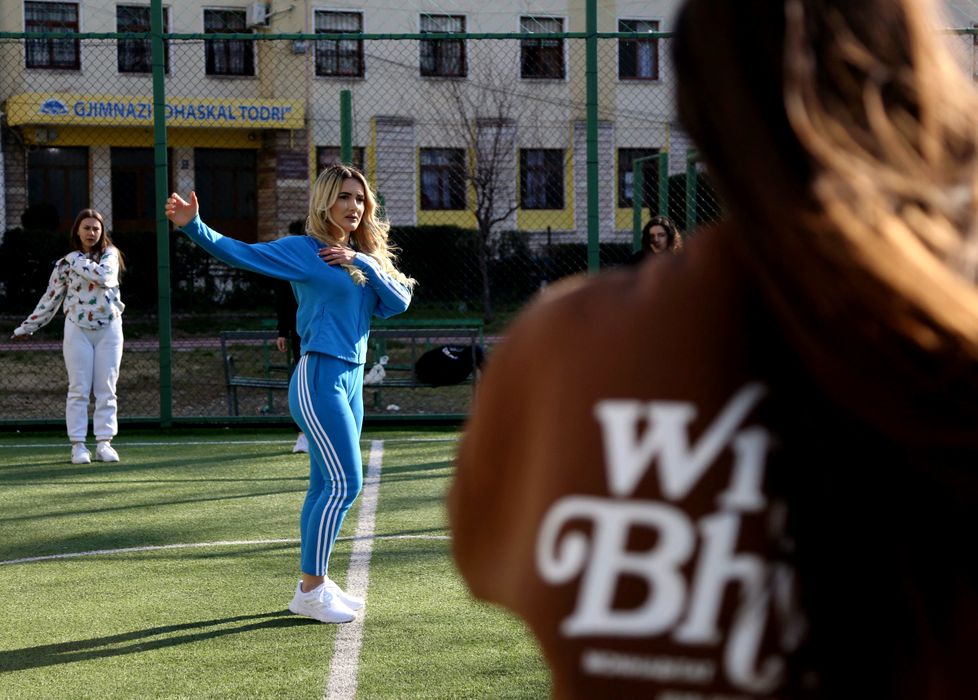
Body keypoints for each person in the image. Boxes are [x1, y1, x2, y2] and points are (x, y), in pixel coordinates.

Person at [450, 1, 978, 698]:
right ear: (928, 87)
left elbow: (487, 556)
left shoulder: (562, 344)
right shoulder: (949, 344)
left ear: (696, 115)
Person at [165, 164, 415, 625]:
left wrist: (362, 262)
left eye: (360, 198)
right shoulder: (305, 250)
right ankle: (311, 590)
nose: (354, 206)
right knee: (346, 484)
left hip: (352, 380)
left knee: (324, 485)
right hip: (319, 375)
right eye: (344, 196)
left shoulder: (362, 256)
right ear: (324, 201)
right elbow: (242, 254)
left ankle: (315, 583)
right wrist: (194, 226)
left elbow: (398, 302)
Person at [11, 208, 125, 465]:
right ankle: (78, 445)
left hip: (109, 328)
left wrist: (74, 259)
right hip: (77, 329)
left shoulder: (110, 254)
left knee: (107, 388)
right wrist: (27, 327)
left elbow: (105, 277)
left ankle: (104, 443)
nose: (91, 233)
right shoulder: (65, 264)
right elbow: (51, 298)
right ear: (77, 231)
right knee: (78, 389)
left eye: (96, 228)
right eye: (86, 228)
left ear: (102, 232)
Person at [274, 219, 307, 453]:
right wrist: (282, 331)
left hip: (325, 331)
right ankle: (303, 434)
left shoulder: (331, 256)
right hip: (300, 331)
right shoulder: (289, 260)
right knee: (302, 380)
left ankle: (326, 433)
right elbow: (283, 299)